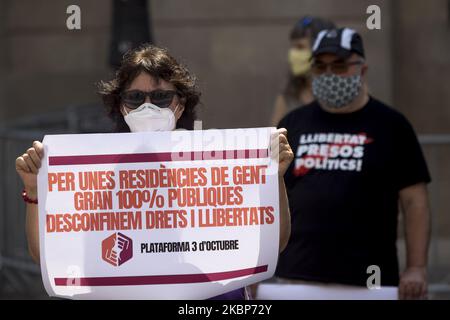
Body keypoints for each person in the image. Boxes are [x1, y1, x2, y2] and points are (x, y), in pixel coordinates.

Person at [15, 44, 294, 300]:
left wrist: (276, 178)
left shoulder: (217, 165)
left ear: (181, 103)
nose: (147, 106)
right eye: (135, 97)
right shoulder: (98, 175)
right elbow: (46, 255)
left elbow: (275, 242)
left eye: (161, 97)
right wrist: (35, 192)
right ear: (121, 106)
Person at [274, 28, 431, 300]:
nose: (329, 74)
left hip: (369, 285)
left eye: (339, 65)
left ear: (363, 68)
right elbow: (271, 198)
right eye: (320, 66)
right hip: (294, 281)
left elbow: (414, 201)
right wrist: (256, 269)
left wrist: (416, 267)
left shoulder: (392, 125)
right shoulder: (292, 124)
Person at [270, 16, 336, 126]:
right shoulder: (289, 97)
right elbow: (274, 140)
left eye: (300, 47)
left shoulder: (342, 93)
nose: (293, 54)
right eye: (293, 47)